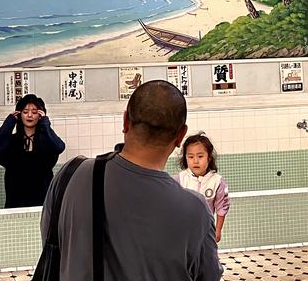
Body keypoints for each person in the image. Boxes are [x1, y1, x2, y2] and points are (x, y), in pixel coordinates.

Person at [41, 80, 223, 280]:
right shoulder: (196, 211)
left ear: (125, 121)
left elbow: (52, 244)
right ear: (180, 136)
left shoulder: (71, 174)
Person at [0, 94, 65, 208]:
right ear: (19, 114)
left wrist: (45, 125)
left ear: (41, 115)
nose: (29, 115)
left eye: (34, 112)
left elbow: (59, 147)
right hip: (15, 203)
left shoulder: (46, 143)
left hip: (43, 204)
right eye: (25, 111)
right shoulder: (12, 143)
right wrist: (9, 123)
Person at [178, 132, 230, 243]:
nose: (195, 161)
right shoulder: (180, 179)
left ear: (209, 157)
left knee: (207, 259)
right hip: (184, 232)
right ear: (185, 158)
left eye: (200, 156)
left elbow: (221, 207)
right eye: (190, 156)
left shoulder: (217, 181)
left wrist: (218, 230)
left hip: (207, 231)